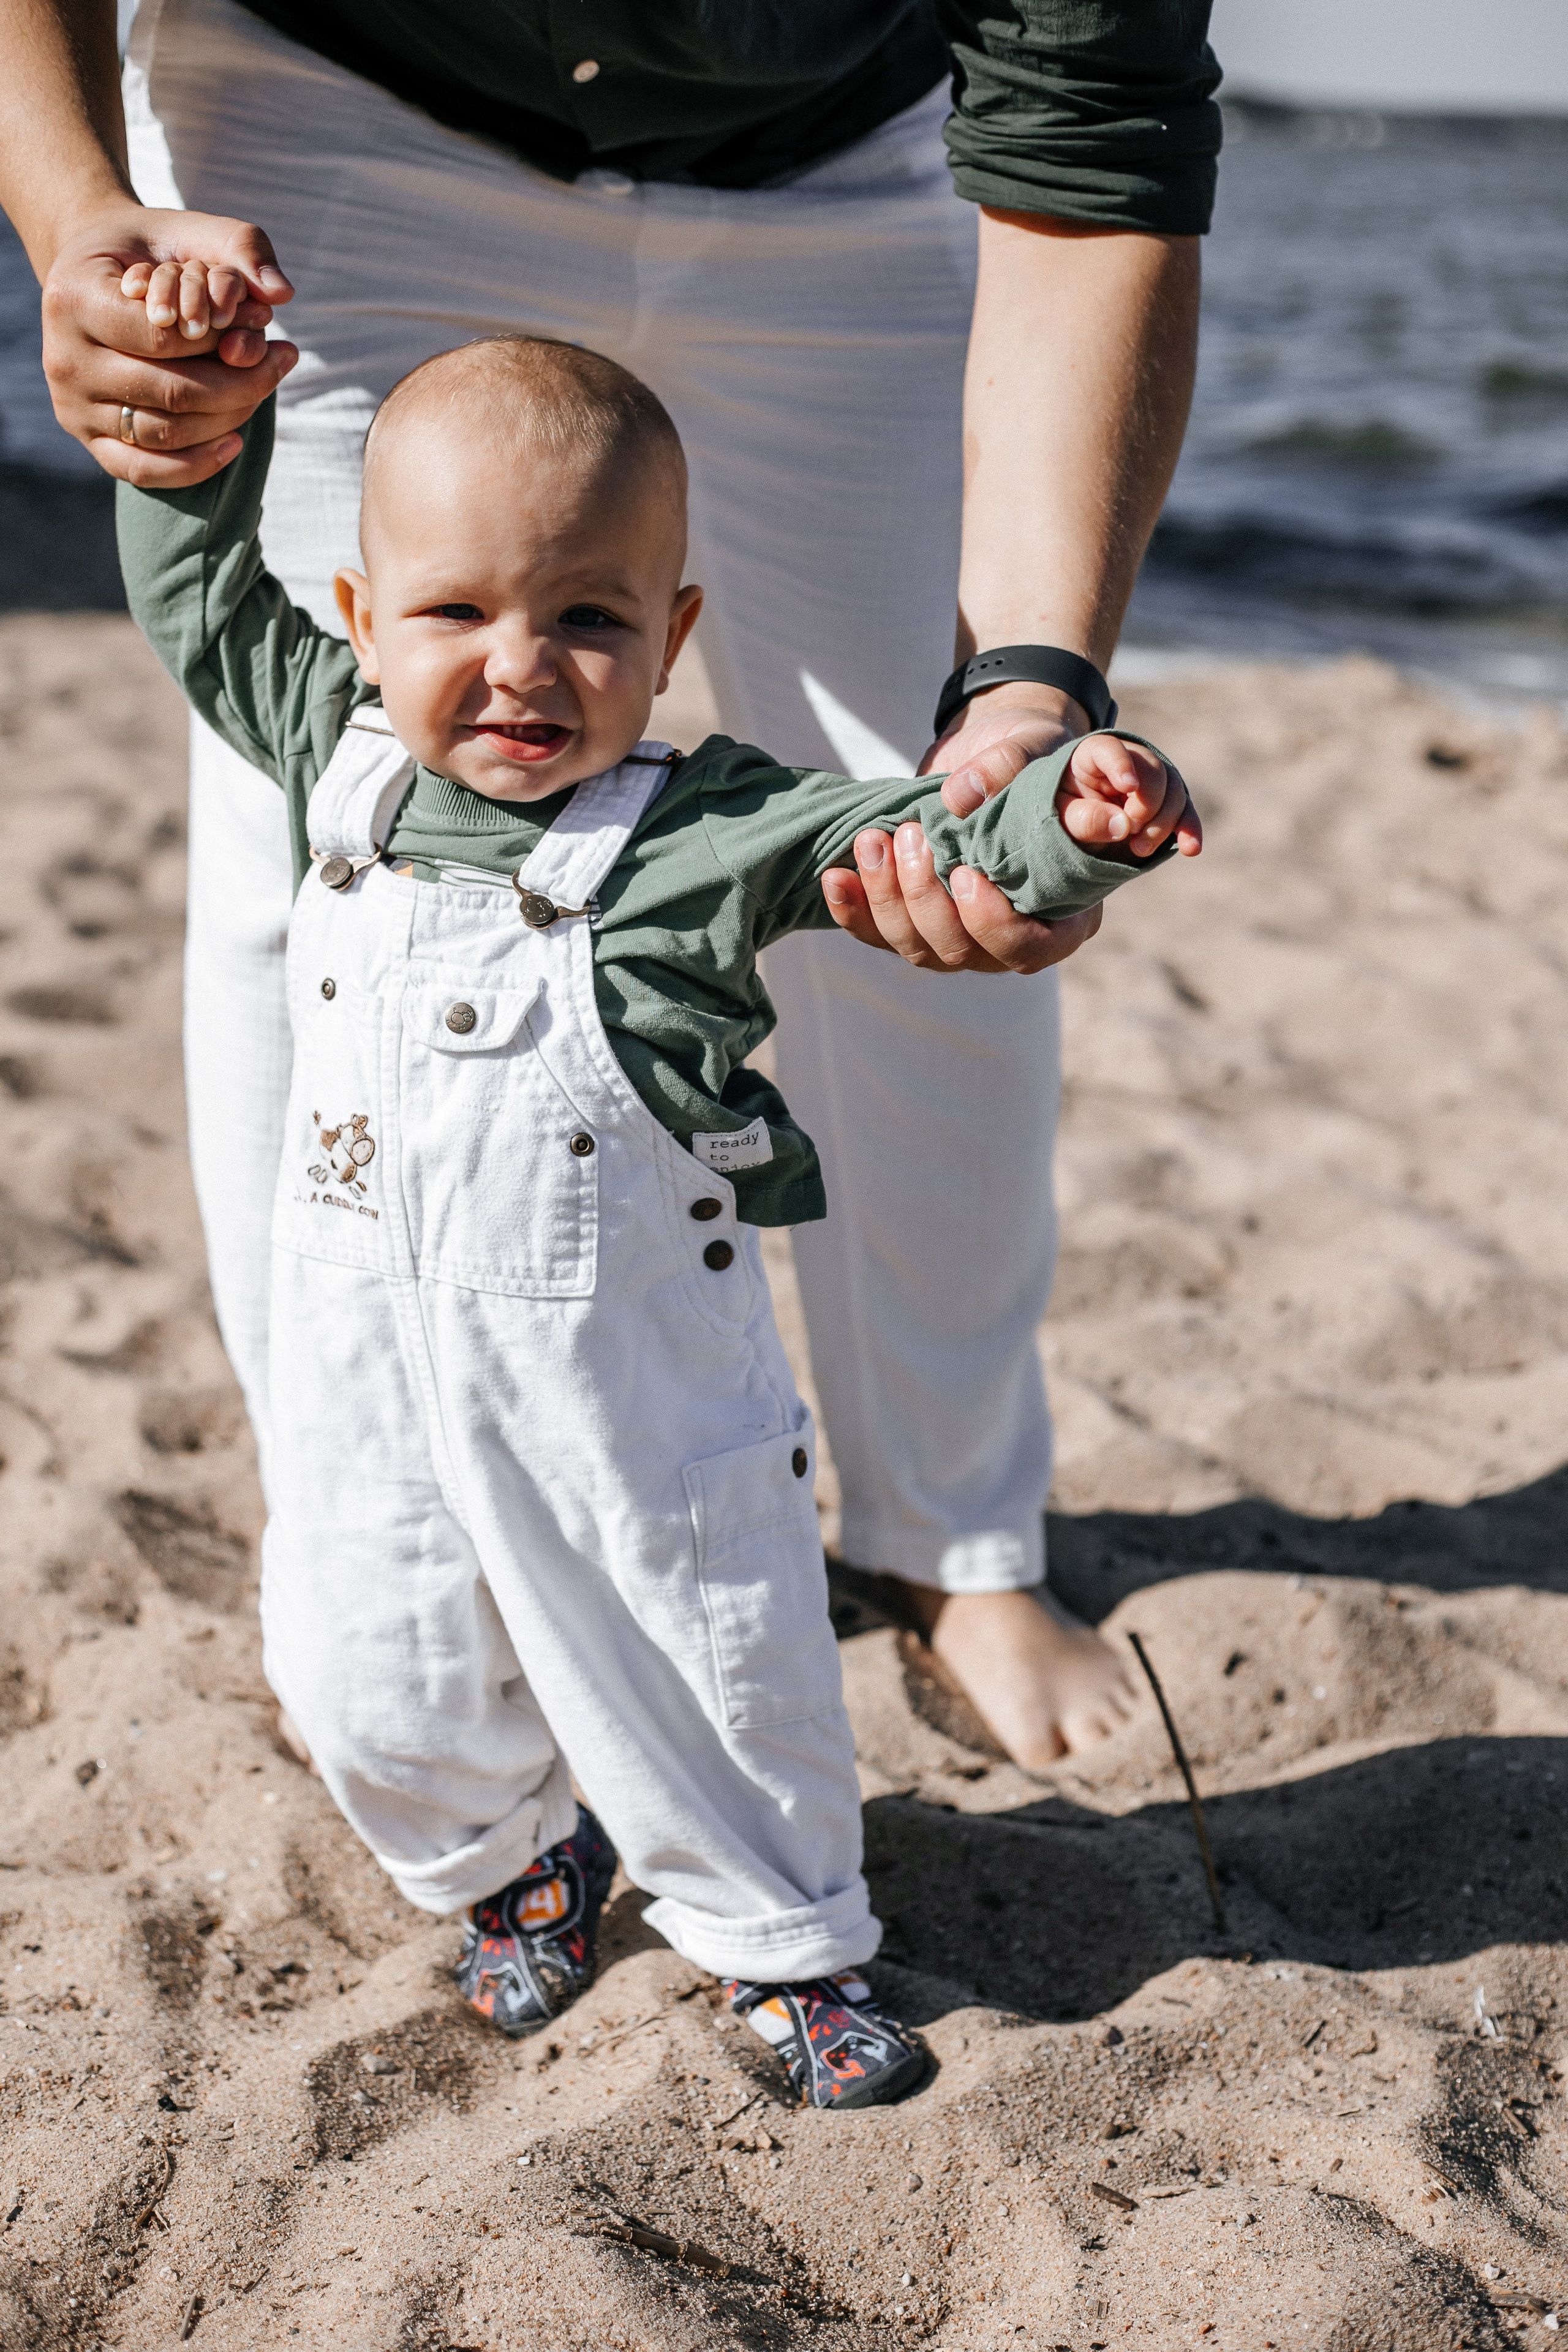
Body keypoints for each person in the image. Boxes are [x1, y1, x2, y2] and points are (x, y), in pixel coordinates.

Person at [0, 0, 1221, 1772]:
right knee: (332, 870)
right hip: (340, 113)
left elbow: (1093, 135)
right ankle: (389, 1556)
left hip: (848, 170)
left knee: (917, 830)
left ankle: (951, 1536)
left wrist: (1035, 688)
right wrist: (74, 216)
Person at [112, 328, 1199, 2097]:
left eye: (591, 620)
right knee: (366, 1659)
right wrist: (188, 426)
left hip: (626, 1387)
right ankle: (515, 1862)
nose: (522, 666)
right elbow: (195, 599)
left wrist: (1069, 827)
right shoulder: (329, 748)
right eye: (455, 612)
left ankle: (781, 1945)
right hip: (365, 1368)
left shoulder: (700, 831)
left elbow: (924, 837)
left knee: (715, 1660)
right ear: (360, 610)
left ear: (675, 636)